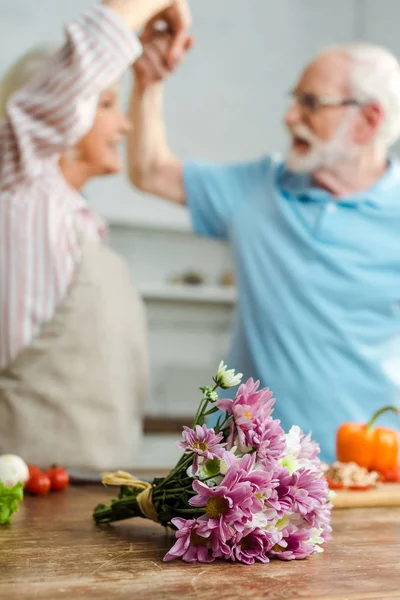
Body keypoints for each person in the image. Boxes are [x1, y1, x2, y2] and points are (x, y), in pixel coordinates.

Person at [128, 31, 400, 462]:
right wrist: (148, 81)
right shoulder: (258, 187)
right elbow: (149, 171)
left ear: (368, 121)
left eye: (312, 103)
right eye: (295, 99)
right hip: (243, 468)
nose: (290, 116)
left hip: (367, 470)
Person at [0, 0, 191, 470]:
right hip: (28, 509)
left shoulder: (79, 221)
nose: (123, 125)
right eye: (106, 104)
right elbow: (63, 85)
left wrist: (148, 82)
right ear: (58, 110)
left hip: (90, 499)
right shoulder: (22, 189)